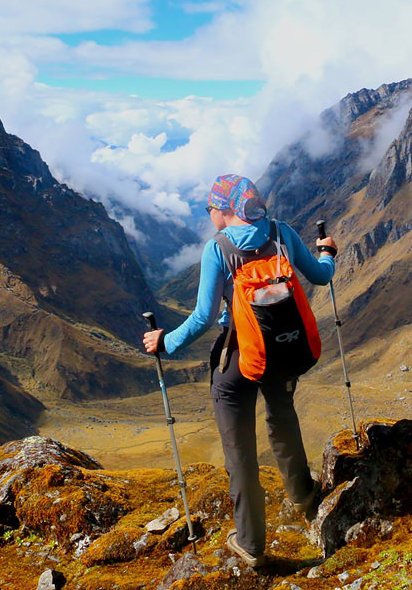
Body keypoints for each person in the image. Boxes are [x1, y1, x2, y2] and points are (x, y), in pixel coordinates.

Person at [142, 174, 338, 568]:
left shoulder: (219, 249)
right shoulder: (281, 233)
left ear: (226, 208)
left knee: (240, 449)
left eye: (211, 208)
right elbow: (320, 276)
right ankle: (304, 496)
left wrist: (164, 342)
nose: (210, 214)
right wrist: (328, 253)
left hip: (238, 359)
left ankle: (250, 543)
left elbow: (203, 317)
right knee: (282, 417)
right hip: (282, 351)